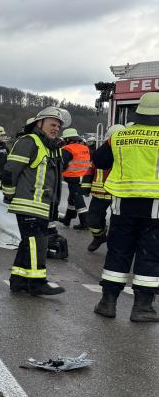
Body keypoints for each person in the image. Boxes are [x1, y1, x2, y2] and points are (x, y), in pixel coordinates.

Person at [91, 92, 159, 321]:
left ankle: (107, 303)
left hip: (122, 205)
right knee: (149, 255)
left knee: (118, 252)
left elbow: (99, 161)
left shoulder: (119, 136)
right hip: (155, 207)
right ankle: (142, 308)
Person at [1, 107, 71, 296]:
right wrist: (9, 195)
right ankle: (36, 282)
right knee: (36, 244)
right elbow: (10, 170)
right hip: (29, 203)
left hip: (41, 205)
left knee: (28, 243)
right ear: (39, 123)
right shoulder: (29, 141)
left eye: (58, 126)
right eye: (52, 124)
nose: (56, 128)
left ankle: (18, 281)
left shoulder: (48, 146)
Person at [84, 124, 124, 251]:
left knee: (117, 224)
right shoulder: (100, 153)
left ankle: (115, 247)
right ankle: (99, 237)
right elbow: (91, 169)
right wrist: (85, 186)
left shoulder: (126, 155)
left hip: (118, 196)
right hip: (99, 195)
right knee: (92, 220)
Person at [58, 128, 91, 229]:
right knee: (72, 197)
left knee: (77, 199)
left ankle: (85, 222)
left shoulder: (67, 149)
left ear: (67, 139)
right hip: (85, 177)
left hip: (73, 177)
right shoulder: (85, 148)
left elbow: (62, 165)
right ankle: (68, 218)